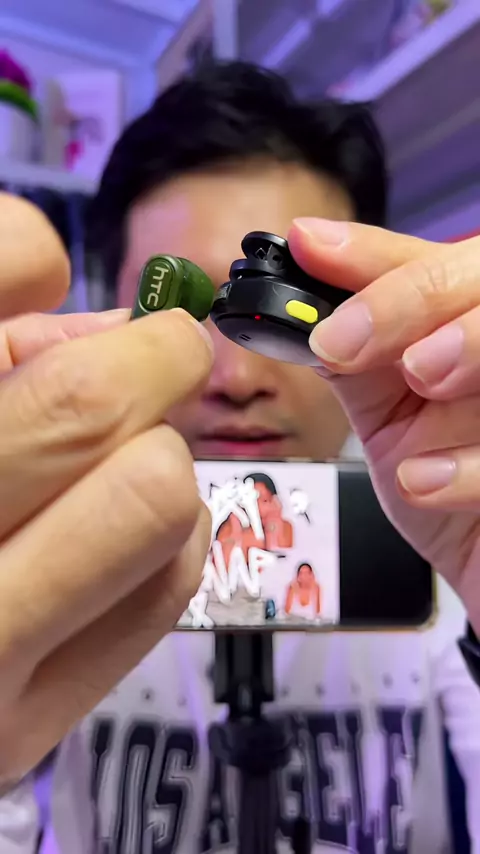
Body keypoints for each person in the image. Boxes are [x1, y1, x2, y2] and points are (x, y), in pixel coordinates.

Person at [0, 58, 478, 854]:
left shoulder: (442, 527)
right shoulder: (26, 551)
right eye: (189, 313)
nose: (240, 377)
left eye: (292, 315)